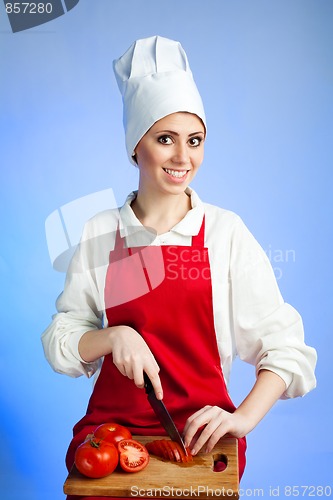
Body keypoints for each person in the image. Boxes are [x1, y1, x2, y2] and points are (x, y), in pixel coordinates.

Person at [42, 36, 317, 498]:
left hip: (200, 439)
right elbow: (63, 339)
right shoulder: (100, 233)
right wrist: (114, 336)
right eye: (164, 139)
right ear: (135, 146)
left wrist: (243, 418)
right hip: (111, 437)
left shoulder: (224, 234)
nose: (182, 158)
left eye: (195, 141)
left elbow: (287, 350)